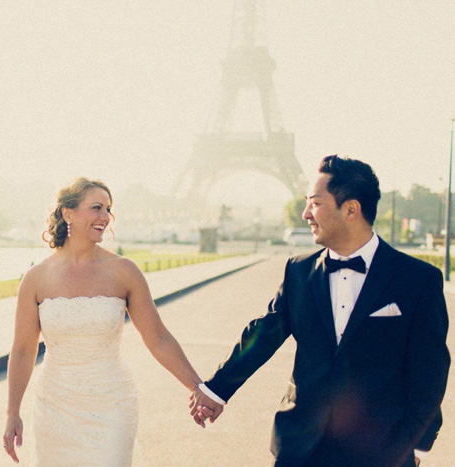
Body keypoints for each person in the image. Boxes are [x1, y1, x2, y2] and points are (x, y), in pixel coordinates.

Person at [190, 155, 450, 466]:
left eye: (315, 203)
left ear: (351, 209)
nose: (305, 214)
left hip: (382, 450)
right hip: (301, 445)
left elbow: (429, 370)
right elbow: (263, 335)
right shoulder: (298, 271)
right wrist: (216, 390)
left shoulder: (418, 279)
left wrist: (418, 445)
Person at [3, 177, 203, 465]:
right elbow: (23, 349)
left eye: (108, 209)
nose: (105, 217)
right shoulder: (36, 278)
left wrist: (197, 387)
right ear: (67, 213)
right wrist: (12, 412)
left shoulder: (125, 272)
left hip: (113, 404)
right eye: (96, 208)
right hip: (54, 406)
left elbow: (158, 338)